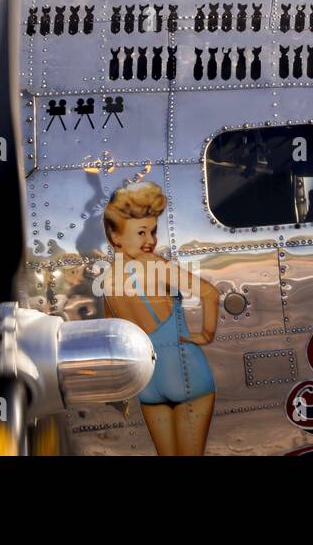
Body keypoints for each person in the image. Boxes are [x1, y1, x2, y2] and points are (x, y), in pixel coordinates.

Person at [99, 181, 219, 455]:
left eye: (153, 231)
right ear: (115, 237)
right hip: (188, 375)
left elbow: (112, 334)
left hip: (149, 386)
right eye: (141, 232)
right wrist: (206, 335)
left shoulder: (106, 281)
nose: (151, 241)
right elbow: (210, 294)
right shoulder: (155, 265)